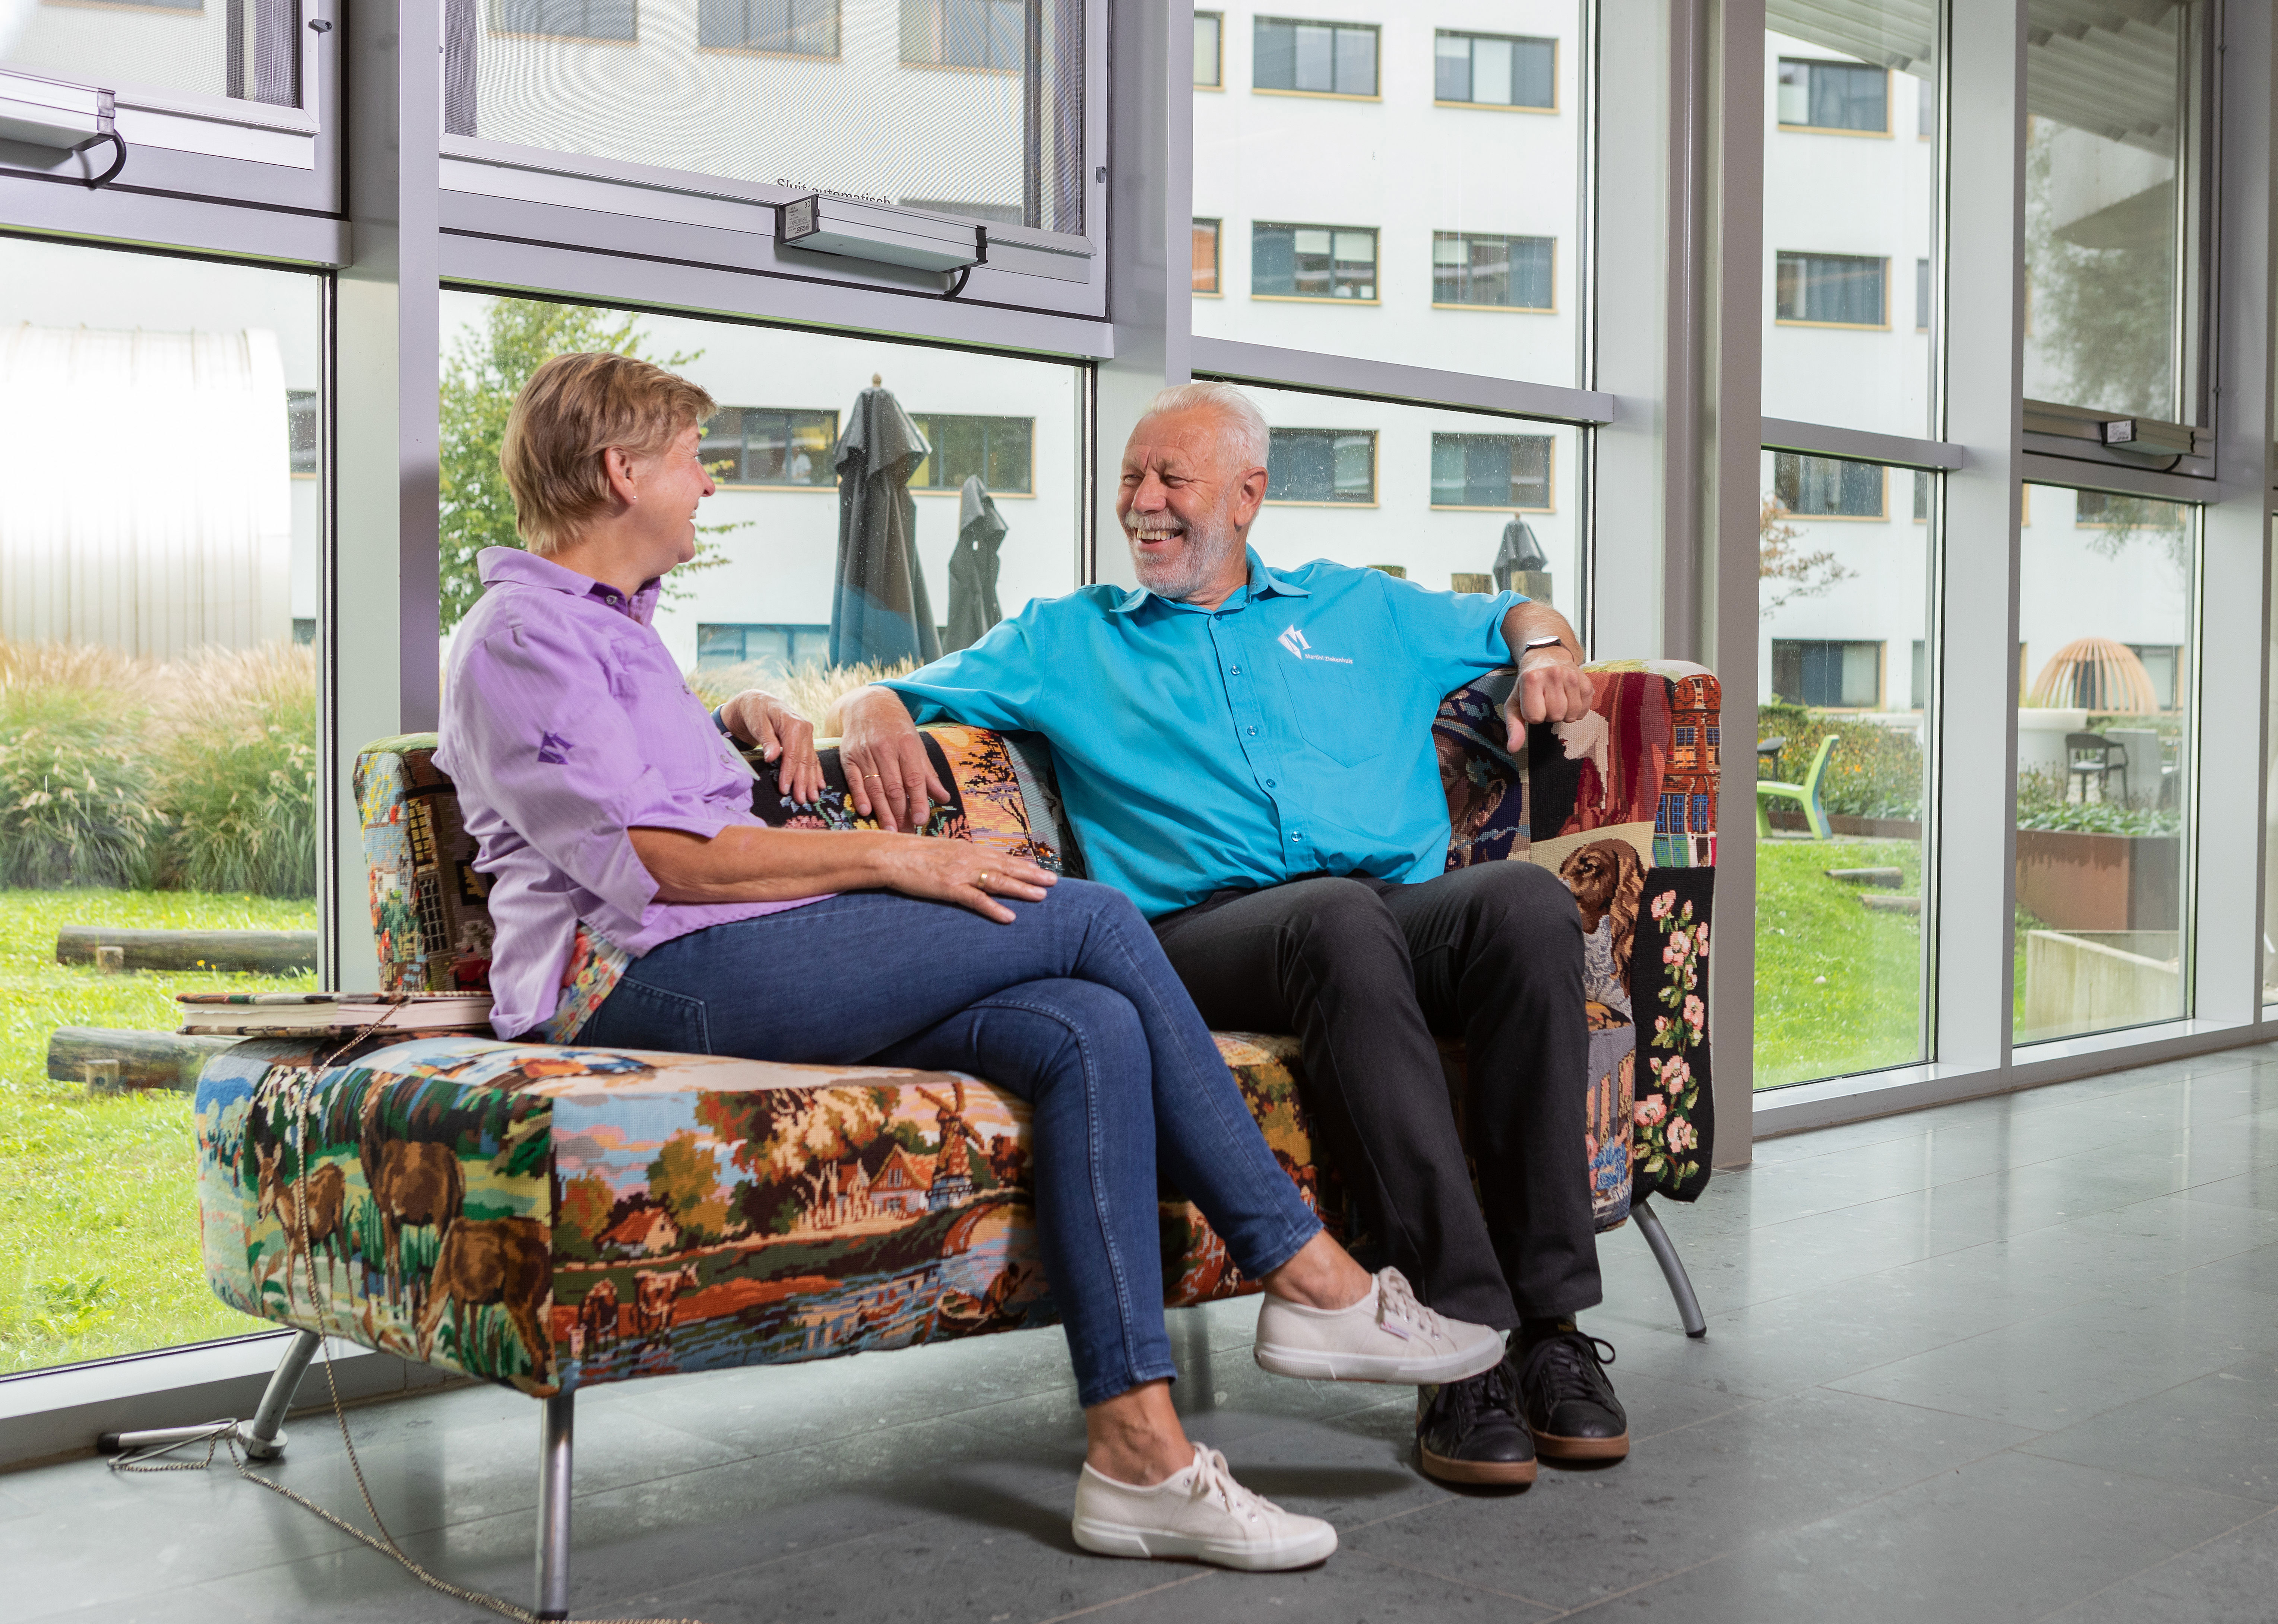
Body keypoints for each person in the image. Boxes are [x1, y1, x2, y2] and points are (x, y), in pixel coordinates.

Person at [433, 354, 1505, 1573]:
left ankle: (1139, 1458)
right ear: (622, 472)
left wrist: (739, 719)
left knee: (1087, 1028)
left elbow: (645, 793)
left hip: (732, 953)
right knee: (1093, 922)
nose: (708, 485)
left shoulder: (610, 626)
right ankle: (1308, 1275)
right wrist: (899, 857)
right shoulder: (522, 634)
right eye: (691, 460)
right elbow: (662, 861)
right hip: (632, 984)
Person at [837, 381, 1632, 1490]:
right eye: (1131, 478)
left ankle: (1551, 1331)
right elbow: (897, 692)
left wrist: (1543, 650)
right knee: (1334, 916)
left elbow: (1513, 615)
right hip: (1203, 937)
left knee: (1526, 907)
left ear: (1248, 495)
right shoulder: (1068, 636)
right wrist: (869, 710)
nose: (1143, 502)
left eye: (1173, 479)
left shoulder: (1358, 607)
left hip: (1386, 912)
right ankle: (1459, 1342)